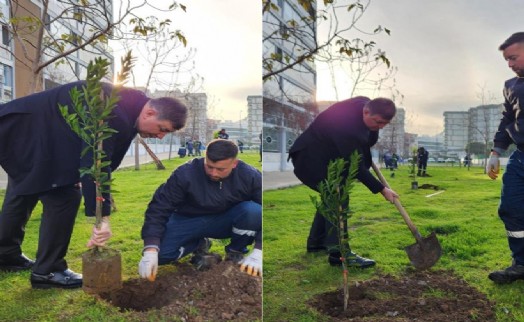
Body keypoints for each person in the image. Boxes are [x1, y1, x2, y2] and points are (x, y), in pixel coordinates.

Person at [0, 81, 187, 289]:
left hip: (21, 134)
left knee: (22, 189)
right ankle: (48, 271)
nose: (160, 136)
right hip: (27, 134)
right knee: (65, 197)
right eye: (162, 129)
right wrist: (103, 217)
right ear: (150, 113)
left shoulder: (127, 103)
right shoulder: (113, 112)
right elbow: (97, 161)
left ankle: (6, 254)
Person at [288, 96, 399, 268]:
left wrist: (370, 134)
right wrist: (382, 189)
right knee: (337, 195)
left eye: (384, 124)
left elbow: (367, 141)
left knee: (330, 195)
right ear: (366, 111)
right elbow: (355, 167)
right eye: (378, 122)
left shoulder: (364, 103)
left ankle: (316, 244)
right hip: (309, 159)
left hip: (328, 155)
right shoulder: (347, 128)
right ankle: (338, 254)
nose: (380, 127)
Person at [138, 139, 262, 280]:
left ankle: (235, 252)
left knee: (253, 211)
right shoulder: (185, 174)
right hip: (187, 220)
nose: (214, 173)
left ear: (234, 163)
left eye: (221, 169)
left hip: (225, 221)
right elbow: (159, 208)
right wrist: (150, 248)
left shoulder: (250, 176)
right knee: (161, 254)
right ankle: (199, 243)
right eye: (209, 166)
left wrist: (259, 250)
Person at [486, 32, 524, 284]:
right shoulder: (511, 86)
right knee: (510, 207)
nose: (510, 64)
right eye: (507, 60)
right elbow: (507, 119)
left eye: (513, 58)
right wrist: (495, 151)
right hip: (521, 159)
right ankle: (520, 263)